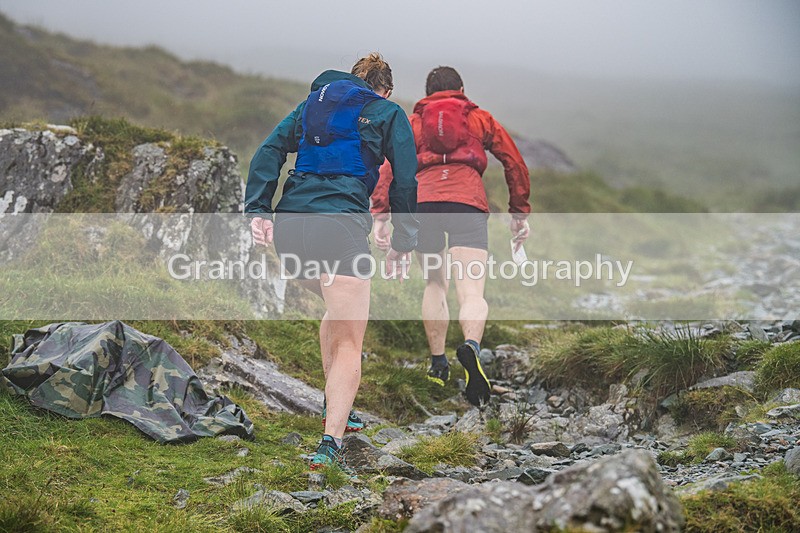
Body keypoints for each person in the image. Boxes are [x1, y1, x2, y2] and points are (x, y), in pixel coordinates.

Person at [245, 53, 418, 469]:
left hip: (291, 228)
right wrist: (405, 239)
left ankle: (338, 404)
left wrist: (257, 209)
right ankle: (330, 442)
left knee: (335, 306)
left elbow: (270, 149)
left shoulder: (312, 105)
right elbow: (407, 177)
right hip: (338, 227)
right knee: (350, 341)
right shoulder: (387, 112)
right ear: (385, 89)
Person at [371, 66, 530, 407]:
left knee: (434, 283)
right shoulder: (479, 118)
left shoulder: (413, 123)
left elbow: (389, 167)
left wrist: (381, 215)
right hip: (466, 204)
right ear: (461, 88)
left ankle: (438, 363)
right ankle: (471, 346)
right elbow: (514, 162)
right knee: (471, 291)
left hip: (424, 205)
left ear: (427, 93)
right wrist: (519, 212)